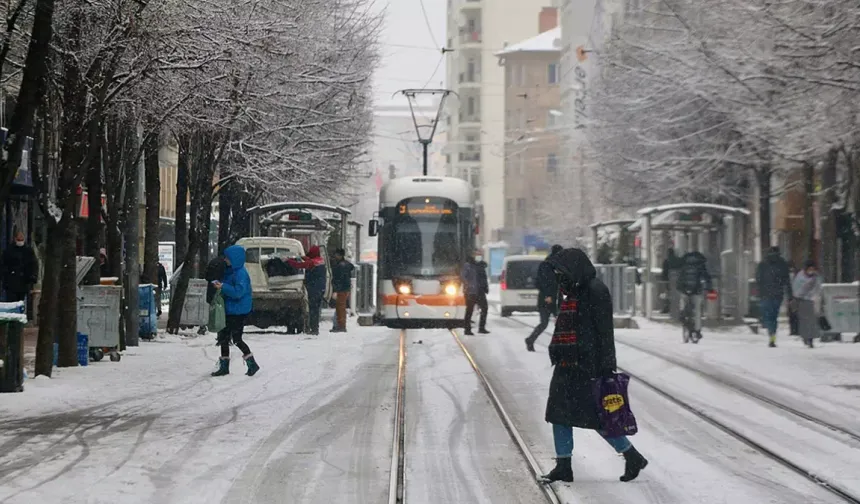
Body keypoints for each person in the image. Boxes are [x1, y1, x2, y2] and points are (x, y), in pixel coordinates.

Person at [541, 248, 648, 483]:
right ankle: (564, 466)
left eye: (561, 270)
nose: (559, 275)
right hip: (568, 363)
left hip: (587, 366)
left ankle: (632, 456)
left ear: (573, 267)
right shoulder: (575, 290)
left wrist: (607, 365)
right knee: (559, 415)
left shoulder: (595, 291)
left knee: (597, 417)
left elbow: (604, 331)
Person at [211, 245, 259, 377]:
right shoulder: (230, 271)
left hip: (238, 311)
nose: (225, 260)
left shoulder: (241, 274)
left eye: (228, 258)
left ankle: (252, 364)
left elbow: (238, 292)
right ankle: (224, 367)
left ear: (235, 259)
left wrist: (223, 287)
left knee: (237, 338)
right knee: (223, 338)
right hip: (229, 309)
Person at [525, 244, 563, 352]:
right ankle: (530, 340)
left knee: (562, 323)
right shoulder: (546, 265)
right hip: (547, 299)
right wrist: (547, 295)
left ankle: (560, 346)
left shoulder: (557, 265)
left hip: (556, 299)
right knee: (544, 323)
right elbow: (542, 282)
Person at [756, 246, 793, 347]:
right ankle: (773, 336)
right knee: (774, 316)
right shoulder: (782, 264)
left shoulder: (762, 264)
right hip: (777, 294)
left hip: (765, 294)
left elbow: (758, 280)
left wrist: (759, 293)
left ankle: (771, 334)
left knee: (768, 317)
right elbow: (787, 281)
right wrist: (790, 295)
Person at [288, 245, 326, 335]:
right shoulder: (320, 260)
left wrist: (288, 261)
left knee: (313, 309)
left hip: (314, 289)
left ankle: (314, 329)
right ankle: (315, 328)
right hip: (320, 288)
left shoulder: (313, 262)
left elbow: (299, 265)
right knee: (316, 309)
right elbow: (309, 260)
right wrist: (300, 257)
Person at [676, 250, 713, 338]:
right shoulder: (700, 265)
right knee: (697, 311)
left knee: (684, 303)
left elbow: (680, 278)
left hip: (684, 290)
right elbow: (706, 277)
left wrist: (679, 288)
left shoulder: (684, 265)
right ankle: (697, 330)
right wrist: (709, 287)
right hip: (696, 290)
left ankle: (682, 315)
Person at [1, 231, 37, 306]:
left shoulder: (28, 251)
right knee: (11, 303)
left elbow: (33, 265)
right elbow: (3, 264)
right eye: (18, 240)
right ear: (15, 239)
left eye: (21, 240)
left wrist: (32, 277)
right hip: (11, 283)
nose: (20, 242)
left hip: (23, 282)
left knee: (21, 302)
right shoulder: (9, 251)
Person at [793, 259, 822, 348]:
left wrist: (817, 297)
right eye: (809, 269)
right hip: (802, 300)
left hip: (812, 301)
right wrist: (797, 296)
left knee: (812, 321)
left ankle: (810, 339)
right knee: (804, 321)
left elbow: (818, 288)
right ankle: (806, 337)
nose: (811, 271)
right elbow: (796, 287)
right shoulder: (800, 276)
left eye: (812, 269)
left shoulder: (816, 277)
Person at [461, 254, 489, 335]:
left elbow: (483, 278)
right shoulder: (468, 265)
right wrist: (469, 285)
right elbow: (463, 277)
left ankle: (482, 328)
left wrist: (485, 288)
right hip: (470, 292)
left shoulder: (481, 266)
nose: (478, 257)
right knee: (469, 310)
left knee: (484, 309)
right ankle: (467, 329)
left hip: (480, 291)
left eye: (479, 255)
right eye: (476, 255)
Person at [330, 248, 354, 332]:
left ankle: (341, 326)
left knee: (340, 308)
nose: (335, 256)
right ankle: (340, 325)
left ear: (339, 255)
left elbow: (338, 278)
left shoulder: (340, 266)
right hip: (345, 288)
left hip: (341, 289)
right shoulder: (346, 264)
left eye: (336, 254)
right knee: (340, 307)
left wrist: (336, 289)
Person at [660, 248, 683, 313]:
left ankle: (667, 307)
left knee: (668, 295)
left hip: (668, 281)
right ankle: (677, 308)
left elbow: (664, 272)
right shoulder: (678, 260)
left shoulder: (666, 261)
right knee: (677, 294)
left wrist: (663, 279)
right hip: (677, 281)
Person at [788, 265, 800, 335]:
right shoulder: (798, 277)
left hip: (793, 297)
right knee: (794, 314)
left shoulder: (789, 277)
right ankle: (795, 330)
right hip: (795, 297)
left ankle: (793, 330)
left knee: (793, 314)